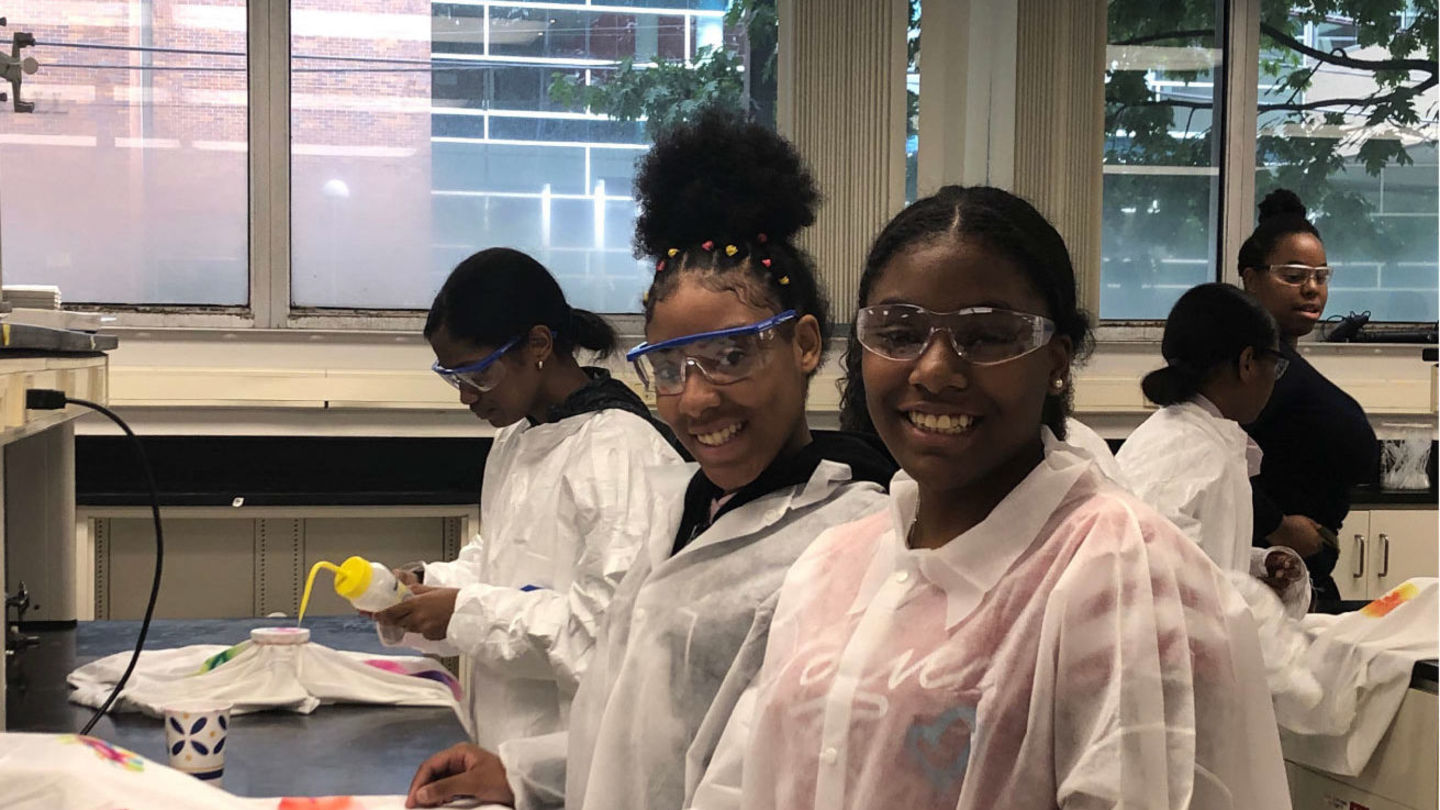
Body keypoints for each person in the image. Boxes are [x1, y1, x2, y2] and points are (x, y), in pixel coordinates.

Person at [691, 186, 1290, 809]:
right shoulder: (833, 566)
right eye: (898, 332)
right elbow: (744, 784)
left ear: (1056, 360)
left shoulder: (1121, 576)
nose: (934, 370)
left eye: (986, 337)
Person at [402, 109, 894, 810]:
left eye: (730, 357)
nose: (695, 401)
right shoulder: (681, 505)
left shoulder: (848, 540)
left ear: (806, 345)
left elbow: (773, 775)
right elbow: (638, 724)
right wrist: (523, 771)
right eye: (666, 366)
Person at [374, 247, 684, 749]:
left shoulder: (619, 449)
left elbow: (604, 637)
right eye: (454, 377)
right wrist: (423, 588)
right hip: (504, 752)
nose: (466, 396)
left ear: (537, 344)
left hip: (575, 761)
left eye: (478, 374)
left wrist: (462, 611)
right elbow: (501, 564)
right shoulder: (515, 440)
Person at [1239, 189, 1380, 610]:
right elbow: (1215, 457)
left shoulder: (1282, 360)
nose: (1312, 289)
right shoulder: (1243, 365)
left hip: (1301, 582)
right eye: (1295, 275)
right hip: (1265, 581)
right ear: (1251, 278)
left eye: (1321, 276)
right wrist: (1278, 525)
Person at [1117, 283, 1286, 572]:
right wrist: (1251, 603)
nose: (1275, 379)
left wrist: (1259, 567)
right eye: (1276, 365)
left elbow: (1203, 556)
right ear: (1247, 363)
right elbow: (1159, 578)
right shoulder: (1189, 451)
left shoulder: (1198, 438)